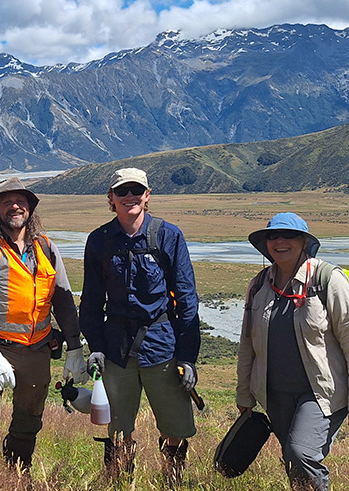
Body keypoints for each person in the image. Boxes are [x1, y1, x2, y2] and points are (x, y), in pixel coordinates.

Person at [237, 212, 349, 491]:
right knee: (292, 458)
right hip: (274, 393)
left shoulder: (328, 279)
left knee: (302, 453)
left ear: (303, 242)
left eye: (288, 235)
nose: (279, 241)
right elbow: (246, 346)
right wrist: (244, 393)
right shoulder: (259, 285)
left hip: (321, 391)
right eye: (272, 236)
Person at [79, 168, 201, 481]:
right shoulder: (99, 241)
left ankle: (171, 480)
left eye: (136, 190)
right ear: (111, 199)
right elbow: (91, 301)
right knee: (118, 426)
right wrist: (95, 347)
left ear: (147, 196)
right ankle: (119, 481)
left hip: (162, 345)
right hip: (116, 347)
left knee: (175, 427)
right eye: (122, 191)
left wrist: (187, 357)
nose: (129, 196)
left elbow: (187, 299)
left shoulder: (168, 236)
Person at [0, 177, 87, 470]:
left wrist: (75, 347)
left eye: (20, 201)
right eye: (6, 202)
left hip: (37, 350)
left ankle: (17, 473)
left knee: (29, 420)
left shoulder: (46, 248)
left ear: (30, 208)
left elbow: (63, 300)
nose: (14, 207)